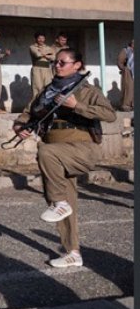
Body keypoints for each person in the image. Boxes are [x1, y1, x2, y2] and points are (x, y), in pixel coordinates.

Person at [12, 49, 116, 268]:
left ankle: (59, 203)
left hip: (81, 147)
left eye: (62, 62)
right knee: (62, 201)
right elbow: (29, 111)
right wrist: (20, 125)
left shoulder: (87, 90)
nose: (57, 65)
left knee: (46, 157)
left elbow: (109, 114)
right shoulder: (48, 90)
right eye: (55, 62)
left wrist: (76, 105)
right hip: (56, 148)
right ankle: (72, 252)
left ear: (77, 65)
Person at [29, 33, 56, 99]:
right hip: (37, 69)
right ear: (36, 39)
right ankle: (33, 108)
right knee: (37, 89)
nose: (41, 40)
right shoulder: (32, 47)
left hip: (47, 69)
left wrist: (44, 53)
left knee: (48, 87)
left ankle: (46, 107)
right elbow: (37, 54)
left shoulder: (48, 47)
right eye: (39, 38)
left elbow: (53, 57)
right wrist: (48, 54)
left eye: (43, 38)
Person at [117, 40, 133, 111]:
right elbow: (120, 61)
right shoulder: (126, 51)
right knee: (128, 88)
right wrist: (124, 69)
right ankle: (126, 105)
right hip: (128, 72)